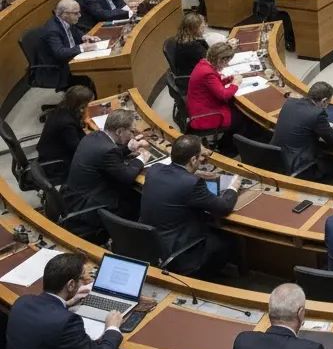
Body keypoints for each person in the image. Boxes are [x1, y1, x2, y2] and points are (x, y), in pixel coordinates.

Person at [140, 134, 241, 277]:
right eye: (200, 157)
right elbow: (224, 207)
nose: (202, 160)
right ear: (193, 160)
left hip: (150, 243)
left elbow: (175, 175)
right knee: (229, 238)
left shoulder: (154, 170)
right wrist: (233, 187)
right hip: (178, 252)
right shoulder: (192, 184)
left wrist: (194, 172)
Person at [62, 108, 148, 238]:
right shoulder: (108, 150)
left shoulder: (93, 136)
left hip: (75, 196)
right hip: (90, 206)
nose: (132, 135)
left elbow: (107, 158)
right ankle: (133, 237)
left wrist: (128, 148)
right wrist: (142, 159)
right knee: (140, 197)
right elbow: (127, 176)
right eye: (131, 131)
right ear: (119, 131)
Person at [272, 82, 333, 180]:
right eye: (328, 102)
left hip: (275, 157)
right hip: (298, 166)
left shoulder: (289, 102)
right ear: (324, 101)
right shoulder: (317, 114)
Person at [36, 0, 103, 92]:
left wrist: (84, 37)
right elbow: (60, 53)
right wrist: (82, 47)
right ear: (65, 14)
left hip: (71, 58)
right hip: (61, 68)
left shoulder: (65, 21)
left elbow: (75, 32)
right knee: (96, 71)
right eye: (76, 13)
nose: (79, 15)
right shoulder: (52, 30)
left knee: (99, 63)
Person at [37, 84, 94, 184]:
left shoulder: (62, 109)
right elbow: (78, 149)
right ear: (81, 107)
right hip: (58, 164)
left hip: (51, 153)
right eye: (88, 105)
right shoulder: (67, 123)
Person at [186, 41, 241, 135]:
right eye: (227, 62)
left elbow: (213, 85)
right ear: (220, 60)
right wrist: (235, 84)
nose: (227, 65)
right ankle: (228, 141)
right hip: (206, 114)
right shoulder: (207, 73)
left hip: (200, 105)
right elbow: (224, 95)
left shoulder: (203, 64)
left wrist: (228, 80)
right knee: (241, 117)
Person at [167, 11, 209, 81]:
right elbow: (210, 61)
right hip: (193, 78)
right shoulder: (193, 46)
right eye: (202, 26)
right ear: (195, 29)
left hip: (193, 69)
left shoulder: (183, 37)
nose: (205, 26)